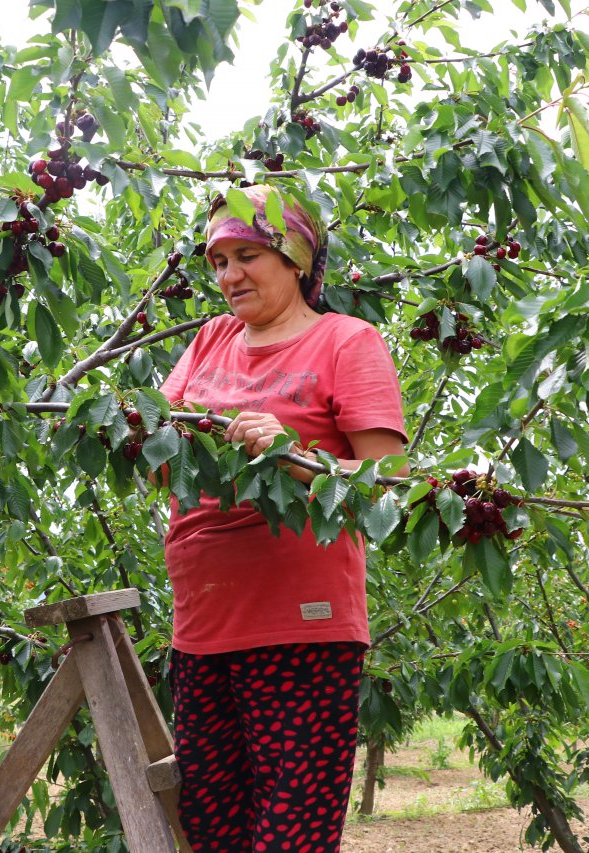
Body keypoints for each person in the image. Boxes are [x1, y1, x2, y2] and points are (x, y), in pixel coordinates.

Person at [156, 184, 409, 852]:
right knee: (211, 831)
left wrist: (291, 454)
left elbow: (388, 487)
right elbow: (154, 454)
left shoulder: (346, 341)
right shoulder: (210, 340)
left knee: (291, 836)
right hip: (201, 628)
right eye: (219, 262)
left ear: (294, 257)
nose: (230, 275)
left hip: (301, 628)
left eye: (248, 256)